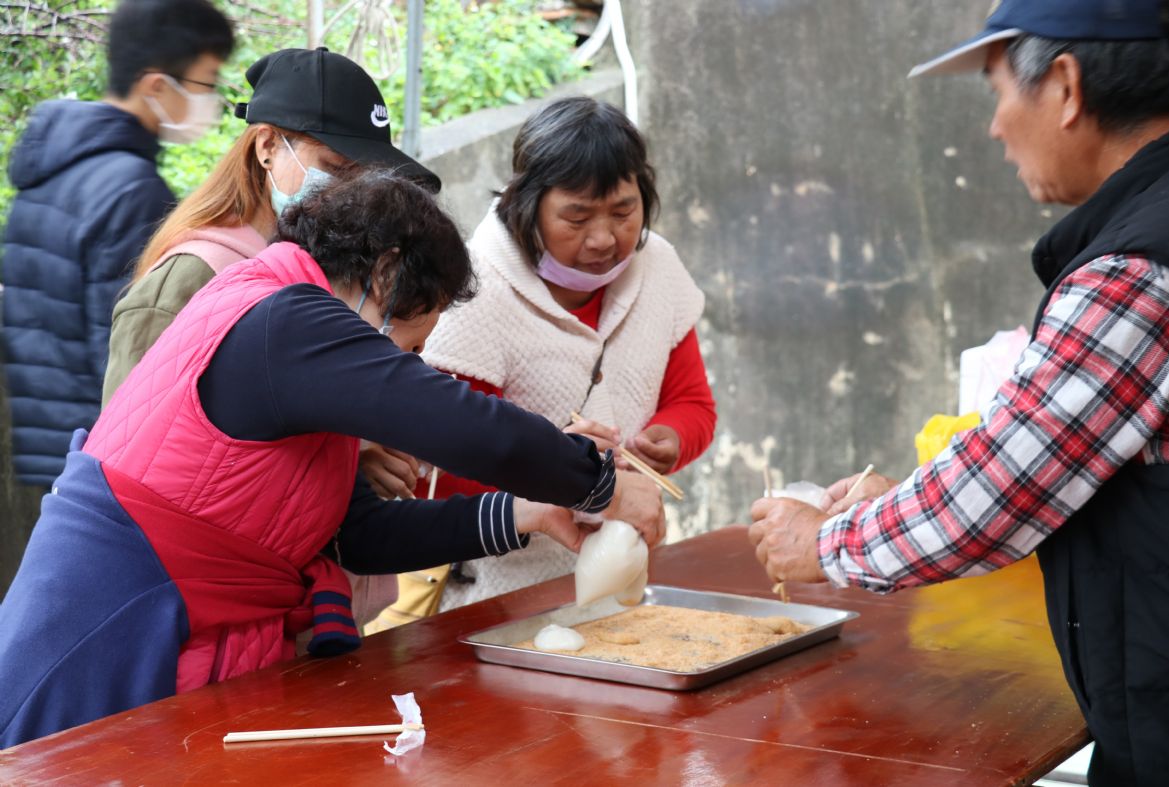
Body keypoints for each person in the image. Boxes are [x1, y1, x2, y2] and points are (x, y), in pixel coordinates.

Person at [0, 170, 664, 748]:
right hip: (117, 620)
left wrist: (529, 511)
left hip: (177, 619)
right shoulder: (283, 318)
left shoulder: (300, 351)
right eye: (407, 346)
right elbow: (460, 423)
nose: (403, 366)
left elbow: (359, 534)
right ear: (384, 273)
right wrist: (598, 481)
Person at [747, 1, 1169, 784]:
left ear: (1066, 85)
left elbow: (1000, 490)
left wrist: (824, 544)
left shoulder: (1141, 266)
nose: (994, 128)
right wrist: (902, 496)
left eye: (996, 92)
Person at [390, 96, 715, 616]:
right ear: (528, 203)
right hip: (496, 596)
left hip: (625, 578)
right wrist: (561, 466)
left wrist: (671, 438)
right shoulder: (475, 289)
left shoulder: (659, 268)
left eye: (624, 211)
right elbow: (447, 464)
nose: (604, 238)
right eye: (577, 216)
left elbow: (693, 402)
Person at [101, 46, 441, 405]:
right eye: (337, 170)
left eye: (366, 180)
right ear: (268, 146)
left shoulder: (331, 269)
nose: (353, 193)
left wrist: (359, 453)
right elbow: (123, 447)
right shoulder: (192, 276)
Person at [1, 0, 234, 487]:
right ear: (156, 85)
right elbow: (131, 360)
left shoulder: (48, 170)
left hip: (47, 449)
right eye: (207, 82)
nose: (212, 100)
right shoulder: (133, 191)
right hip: (104, 464)